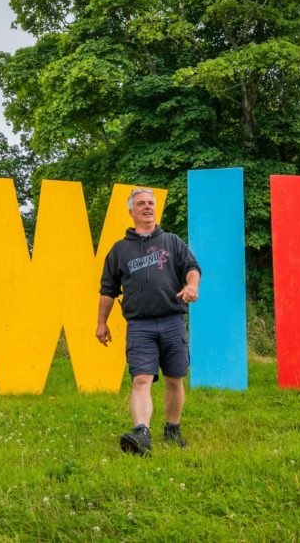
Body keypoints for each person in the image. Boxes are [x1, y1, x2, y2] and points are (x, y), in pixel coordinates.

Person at [96, 188, 201, 455]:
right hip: (140, 325)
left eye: (150, 203)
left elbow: (192, 268)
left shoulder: (172, 241)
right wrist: (101, 323)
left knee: (175, 379)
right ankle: (141, 433)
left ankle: (172, 430)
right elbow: (108, 289)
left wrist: (192, 286)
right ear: (131, 211)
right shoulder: (119, 250)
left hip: (172, 320)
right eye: (141, 204)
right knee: (141, 378)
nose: (147, 207)